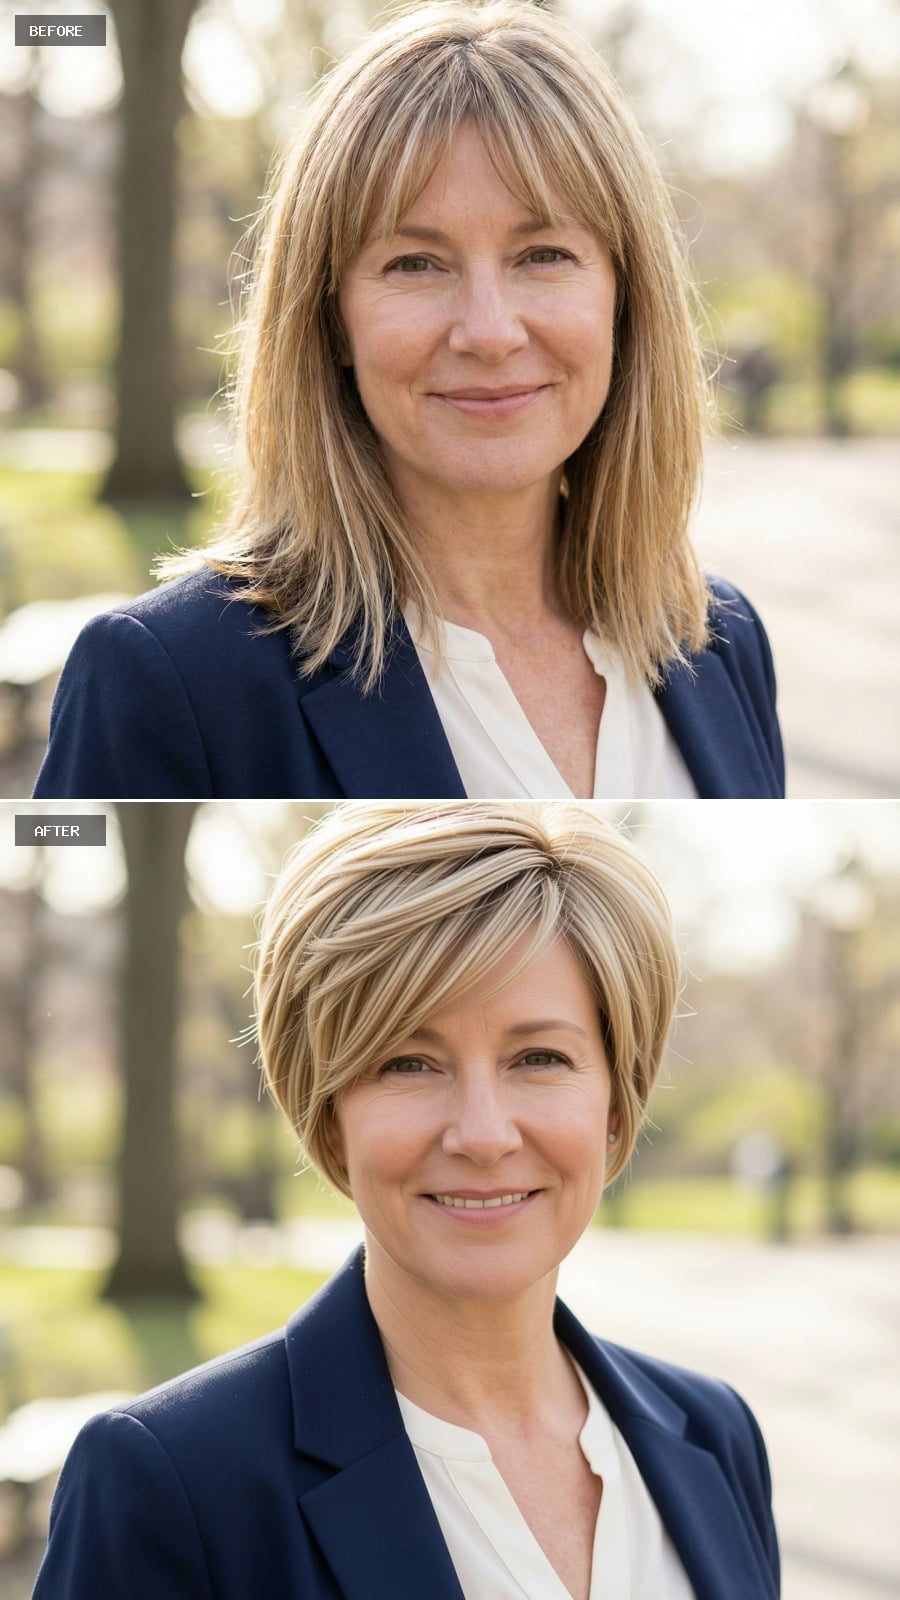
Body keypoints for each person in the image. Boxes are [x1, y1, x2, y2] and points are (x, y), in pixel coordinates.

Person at [34, 2, 783, 802]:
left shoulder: (721, 641)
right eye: (415, 264)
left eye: (543, 254)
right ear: (332, 319)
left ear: (624, 299)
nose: (489, 331)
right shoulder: (167, 678)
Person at [35, 801, 781, 1599]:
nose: (483, 1135)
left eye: (539, 1057)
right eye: (407, 1064)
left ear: (616, 1104)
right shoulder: (173, 1483)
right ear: (329, 1117)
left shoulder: (715, 1435)